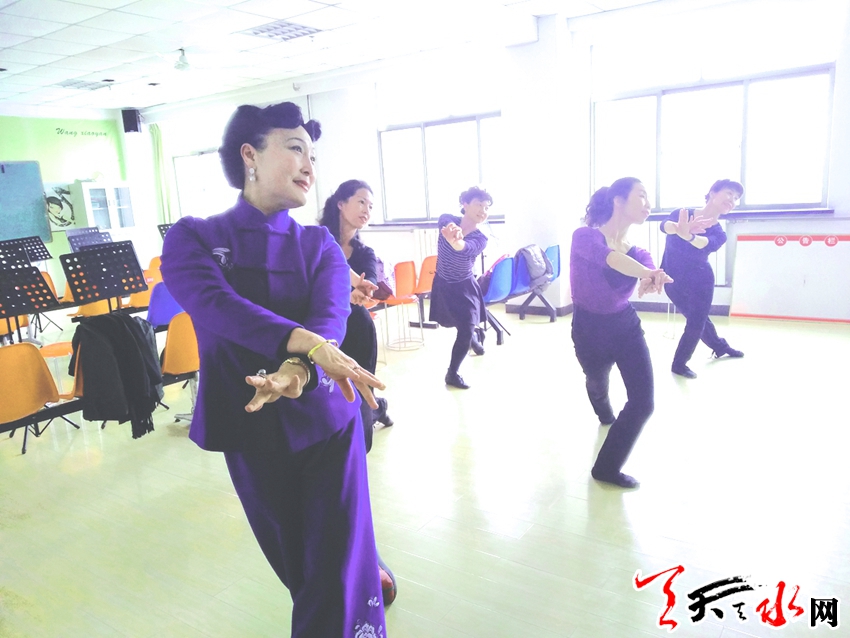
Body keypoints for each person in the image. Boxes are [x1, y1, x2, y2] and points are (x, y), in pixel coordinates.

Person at [161, 102, 388, 637]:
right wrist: (306, 345)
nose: (309, 166)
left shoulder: (319, 243)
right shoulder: (193, 237)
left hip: (328, 422)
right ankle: (367, 578)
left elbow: (330, 314)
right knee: (299, 565)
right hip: (250, 425)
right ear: (251, 155)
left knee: (328, 571)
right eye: (295, 148)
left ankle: (360, 596)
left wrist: (299, 371)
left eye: (313, 156)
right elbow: (218, 307)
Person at [570, 177, 672, 489]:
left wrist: (651, 277)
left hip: (625, 327)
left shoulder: (639, 253)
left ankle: (606, 468)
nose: (648, 204)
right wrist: (647, 273)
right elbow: (612, 259)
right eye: (641, 195)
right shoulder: (584, 236)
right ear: (618, 200)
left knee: (643, 402)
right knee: (597, 384)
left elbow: (645, 268)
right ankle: (603, 410)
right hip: (588, 330)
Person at [319, 179, 394, 434]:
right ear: (341, 203)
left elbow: (368, 282)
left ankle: (374, 412)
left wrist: (362, 291)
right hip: (321, 329)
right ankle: (377, 410)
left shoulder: (364, 252)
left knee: (359, 394)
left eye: (371, 206)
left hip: (356, 327)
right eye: (361, 202)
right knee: (326, 394)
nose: (367, 210)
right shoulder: (316, 240)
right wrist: (348, 290)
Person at [661, 179, 745, 379]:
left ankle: (679, 363)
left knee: (696, 322)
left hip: (700, 281)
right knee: (698, 319)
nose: (732, 200)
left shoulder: (719, 233)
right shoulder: (682, 214)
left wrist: (688, 236)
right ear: (712, 193)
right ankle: (720, 346)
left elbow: (704, 244)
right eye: (729, 193)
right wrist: (680, 227)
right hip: (671, 279)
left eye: (736, 198)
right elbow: (665, 226)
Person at [429, 186, 491, 389]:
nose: (483, 210)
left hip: (464, 286)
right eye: (479, 205)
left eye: (486, 207)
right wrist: (452, 232)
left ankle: (452, 373)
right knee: (458, 323)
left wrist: (456, 242)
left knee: (466, 326)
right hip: (443, 284)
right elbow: (445, 223)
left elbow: (464, 248)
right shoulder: (448, 219)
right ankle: (473, 341)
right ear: (465, 204)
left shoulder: (480, 238)